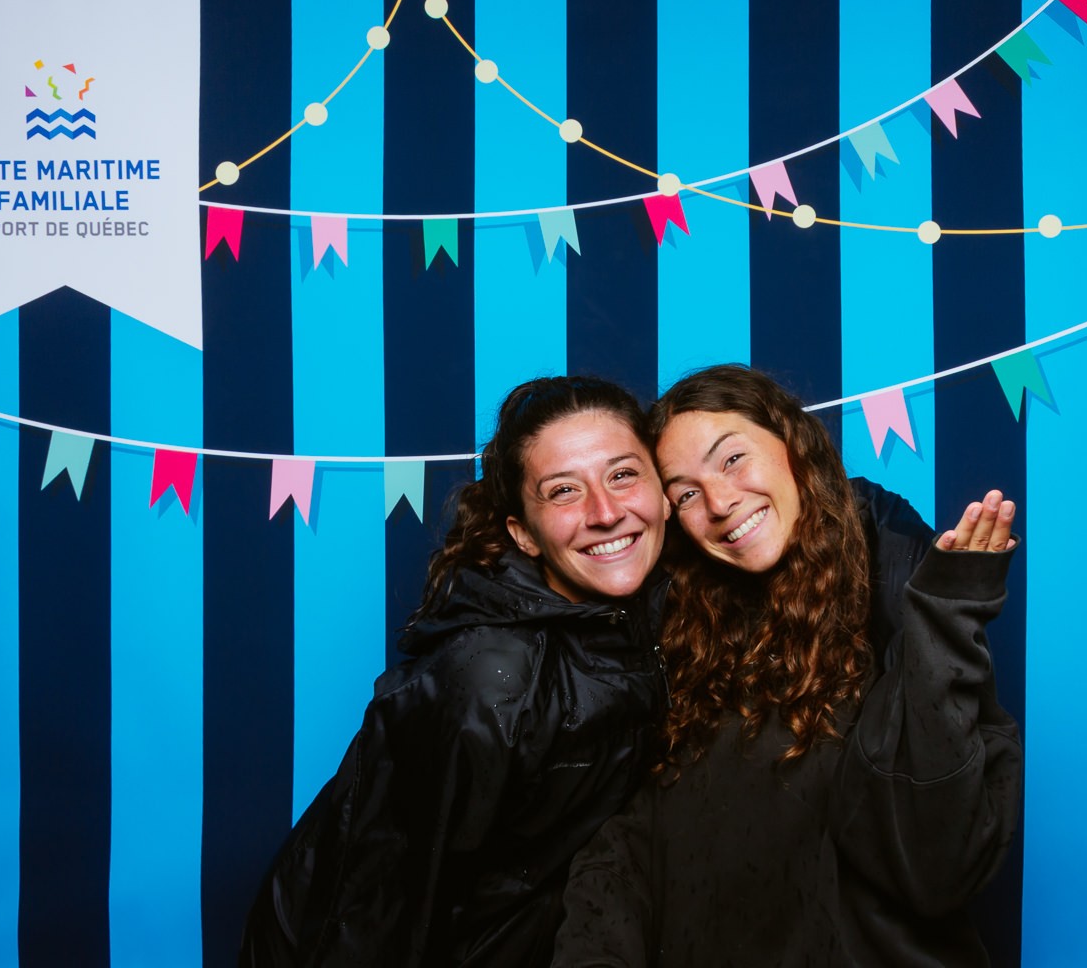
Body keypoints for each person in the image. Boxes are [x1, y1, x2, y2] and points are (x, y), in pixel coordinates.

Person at [554, 364, 1022, 967]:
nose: (719, 502)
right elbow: (629, 837)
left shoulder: (889, 597)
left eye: (732, 460)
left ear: (792, 443)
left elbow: (935, 865)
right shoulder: (677, 630)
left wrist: (943, 624)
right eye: (686, 493)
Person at [240, 376, 673, 968]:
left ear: (665, 491)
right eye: (564, 491)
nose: (605, 512)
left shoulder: (669, 614)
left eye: (622, 475)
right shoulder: (490, 678)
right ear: (524, 535)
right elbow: (376, 903)